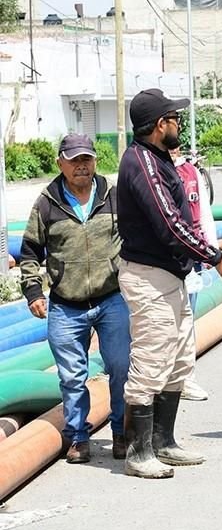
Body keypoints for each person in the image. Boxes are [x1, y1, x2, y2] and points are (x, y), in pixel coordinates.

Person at [118, 88, 222, 479]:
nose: (178, 125)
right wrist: (217, 257)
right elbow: (171, 226)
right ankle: (139, 452)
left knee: (178, 360)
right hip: (148, 276)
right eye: (174, 119)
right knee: (151, 361)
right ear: (160, 125)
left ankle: (164, 441)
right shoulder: (143, 164)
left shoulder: (158, 159)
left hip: (170, 275)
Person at [19, 134, 130, 464]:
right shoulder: (46, 202)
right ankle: (79, 437)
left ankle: (121, 433)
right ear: (60, 163)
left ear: (96, 161)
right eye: (74, 160)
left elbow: (136, 237)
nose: (81, 165)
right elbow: (29, 252)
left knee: (121, 367)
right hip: (66, 304)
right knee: (71, 376)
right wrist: (33, 292)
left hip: (112, 299)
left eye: (87, 159)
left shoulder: (114, 196)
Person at [170, 146, 218, 402]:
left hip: (191, 258)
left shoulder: (191, 172)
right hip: (160, 262)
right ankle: (163, 381)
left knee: (187, 320)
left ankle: (184, 378)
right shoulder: (147, 170)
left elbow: (205, 214)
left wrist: (212, 251)